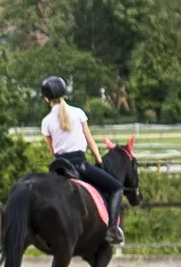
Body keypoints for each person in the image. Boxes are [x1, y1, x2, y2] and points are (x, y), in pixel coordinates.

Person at [38, 78, 123, 236]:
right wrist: (98, 160)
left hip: (59, 166)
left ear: (46, 98)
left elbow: (53, 152)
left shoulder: (46, 122)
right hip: (80, 165)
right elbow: (90, 141)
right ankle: (112, 229)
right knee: (117, 187)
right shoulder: (78, 113)